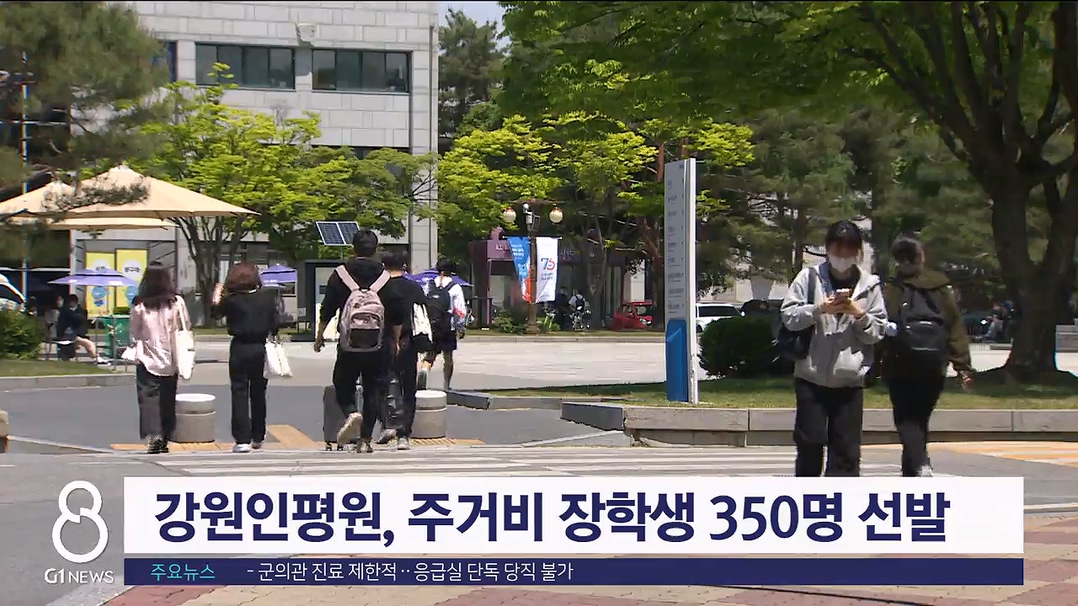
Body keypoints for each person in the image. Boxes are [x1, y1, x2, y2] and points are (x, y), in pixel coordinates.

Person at [780, 220, 887, 477]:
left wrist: (858, 314)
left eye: (849, 250)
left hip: (850, 380)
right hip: (811, 376)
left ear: (858, 252)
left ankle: (841, 496)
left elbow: (877, 332)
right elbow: (789, 317)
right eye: (838, 249)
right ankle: (807, 494)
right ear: (827, 248)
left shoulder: (870, 285)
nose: (843, 255)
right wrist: (819, 309)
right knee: (810, 443)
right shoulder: (809, 277)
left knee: (846, 451)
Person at [882, 235, 973, 477]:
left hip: (899, 363)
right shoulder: (941, 287)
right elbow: (955, 326)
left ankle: (920, 463)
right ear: (921, 256)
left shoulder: (892, 288)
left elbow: (883, 324)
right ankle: (913, 471)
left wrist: (873, 362)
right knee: (920, 417)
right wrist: (962, 365)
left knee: (906, 418)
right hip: (934, 363)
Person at [315, 229, 408, 453]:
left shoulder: (340, 274)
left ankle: (351, 412)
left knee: (342, 383)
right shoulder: (385, 277)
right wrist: (395, 341)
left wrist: (319, 335)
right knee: (374, 390)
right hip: (379, 342)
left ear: (353, 247)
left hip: (350, 343)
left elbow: (327, 308)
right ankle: (365, 439)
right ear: (375, 249)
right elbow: (397, 313)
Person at [211, 261, 281, 453]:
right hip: (260, 347)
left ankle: (242, 439)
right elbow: (275, 325)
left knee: (239, 392)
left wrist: (217, 296)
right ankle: (258, 435)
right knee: (258, 392)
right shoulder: (267, 297)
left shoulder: (232, 300)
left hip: (240, 347)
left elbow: (215, 314)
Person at [129, 265, 191, 454]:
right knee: (167, 400)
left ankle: (154, 435)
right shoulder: (176, 302)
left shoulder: (140, 305)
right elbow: (185, 325)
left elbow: (134, 332)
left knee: (148, 399)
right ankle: (165, 436)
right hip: (172, 358)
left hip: (147, 358)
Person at [375, 251, 428, 450]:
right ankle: (404, 434)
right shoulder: (414, 288)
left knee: (381, 386)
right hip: (408, 342)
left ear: (383, 266)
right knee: (408, 388)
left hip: (381, 342)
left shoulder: (378, 287)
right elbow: (423, 314)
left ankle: (387, 424)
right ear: (405, 266)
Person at [418, 258, 467, 390]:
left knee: (430, 354)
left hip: (431, 325)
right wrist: (460, 327)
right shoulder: (455, 287)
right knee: (448, 356)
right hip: (447, 326)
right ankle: (446, 385)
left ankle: (424, 370)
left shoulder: (428, 285)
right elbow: (460, 310)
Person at [57, 294, 107, 363]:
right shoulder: (64, 311)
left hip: (78, 334)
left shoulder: (81, 311)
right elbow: (60, 325)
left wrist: (70, 314)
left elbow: (81, 320)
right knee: (70, 347)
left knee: (89, 344)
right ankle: (66, 359)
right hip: (66, 335)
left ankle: (96, 357)